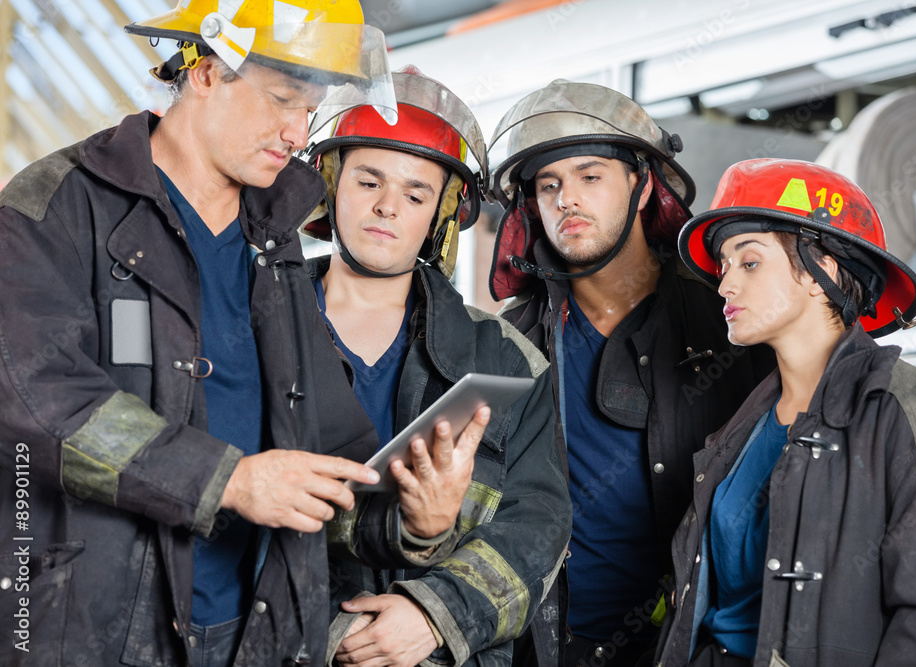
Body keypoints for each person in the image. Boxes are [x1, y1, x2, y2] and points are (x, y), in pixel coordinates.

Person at [0, 3, 483, 666]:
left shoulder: (273, 240)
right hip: (94, 629)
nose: (296, 131)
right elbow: (35, 404)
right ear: (203, 73)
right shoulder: (55, 206)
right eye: (282, 99)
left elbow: (332, 449)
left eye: (310, 109)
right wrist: (227, 480)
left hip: (255, 632)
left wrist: (414, 521)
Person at [654, 158, 916, 666]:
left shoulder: (911, 416)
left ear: (823, 272)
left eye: (749, 262)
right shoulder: (737, 427)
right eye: (724, 266)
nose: (725, 285)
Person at [486, 80, 775, 667]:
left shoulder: (732, 322)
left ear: (642, 186)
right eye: (549, 185)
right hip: (547, 649)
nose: (567, 199)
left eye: (590, 176)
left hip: (691, 649)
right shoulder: (504, 345)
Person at [303, 66, 572, 667]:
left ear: (442, 215)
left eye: (416, 194)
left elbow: (540, 524)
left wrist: (435, 614)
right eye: (368, 180)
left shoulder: (506, 359)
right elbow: (214, 503)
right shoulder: (251, 324)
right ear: (329, 186)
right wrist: (326, 633)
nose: (386, 208)